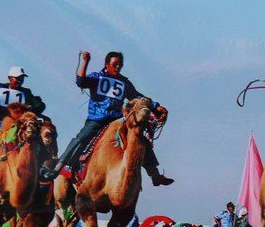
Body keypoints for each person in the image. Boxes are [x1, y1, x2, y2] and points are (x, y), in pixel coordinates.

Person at [40, 51, 173, 186]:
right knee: (80, 139)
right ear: (107, 65)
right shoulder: (97, 77)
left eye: (120, 65)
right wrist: (85, 62)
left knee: (140, 138)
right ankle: (56, 170)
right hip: (96, 119)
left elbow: (136, 96)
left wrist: (155, 106)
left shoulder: (124, 82)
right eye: (115, 64)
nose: (118, 67)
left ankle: (155, 174)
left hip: (117, 119)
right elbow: (80, 81)